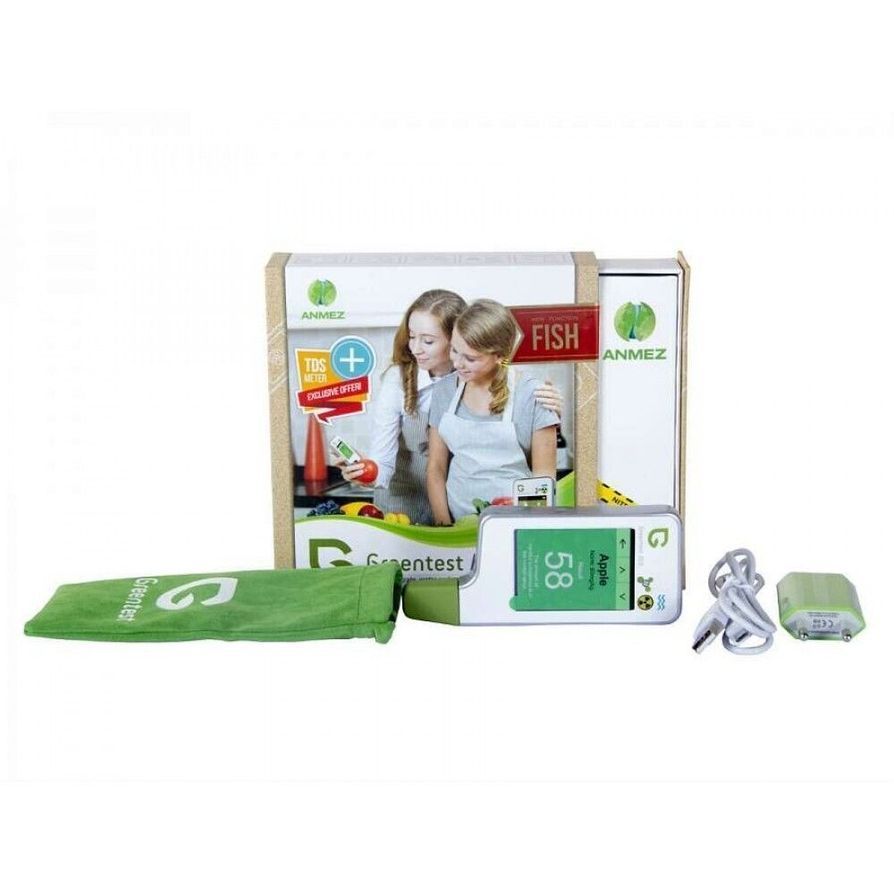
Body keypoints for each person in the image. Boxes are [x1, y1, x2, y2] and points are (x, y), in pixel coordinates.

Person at [335, 290, 562, 525]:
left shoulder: (519, 387)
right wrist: (366, 471)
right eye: (411, 336)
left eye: (428, 341)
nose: (415, 348)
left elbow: (541, 472)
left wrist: (548, 415)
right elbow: (417, 464)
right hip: (409, 501)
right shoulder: (418, 384)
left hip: (490, 512)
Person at [426, 299, 559, 525]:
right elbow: (436, 468)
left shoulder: (533, 394)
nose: (457, 363)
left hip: (515, 522)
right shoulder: (444, 391)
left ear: (499, 356)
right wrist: (444, 525)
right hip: (456, 521)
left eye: (470, 358)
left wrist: (526, 530)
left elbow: (543, 477)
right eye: (454, 350)